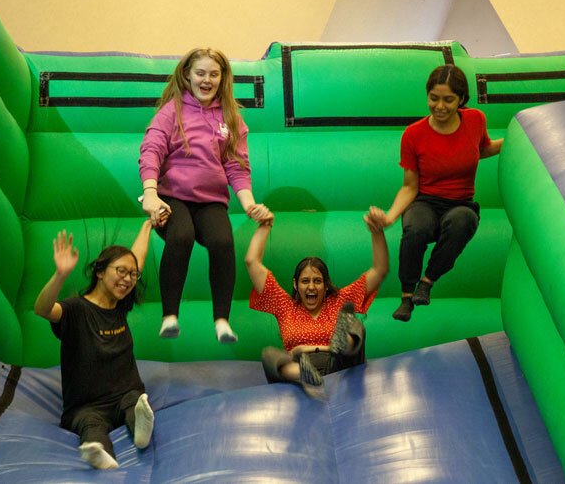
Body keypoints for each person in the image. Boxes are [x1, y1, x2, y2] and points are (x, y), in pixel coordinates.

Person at [139, 47, 271, 343]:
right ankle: (170, 314)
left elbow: (237, 166)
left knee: (223, 241)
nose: (207, 80)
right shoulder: (172, 111)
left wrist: (249, 204)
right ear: (187, 74)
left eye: (214, 74)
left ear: (223, 78)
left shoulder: (231, 117)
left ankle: (222, 320)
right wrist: (150, 192)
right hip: (172, 196)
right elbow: (151, 150)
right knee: (181, 235)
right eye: (200, 73)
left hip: (210, 201)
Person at [374, 64, 503, 322]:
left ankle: (427, 281)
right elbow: (410, 186)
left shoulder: (476, 119)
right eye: (434, 98)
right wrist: (389, 217)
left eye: (448, 100)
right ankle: (407, 295)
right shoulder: (413, 135)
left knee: (461, 223)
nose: (440, 106)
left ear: (462, 100)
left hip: (460, 203)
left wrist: (516, 139)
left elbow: (484, 148)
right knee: (415, 229)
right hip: (425, 201)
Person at [33, 221, 155, 470]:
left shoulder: (119, 302)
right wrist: (60, 275)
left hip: (125, 394)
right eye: (121, 271)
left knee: (135, 403)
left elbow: (136, 259)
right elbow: (42, 309)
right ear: (100, 272)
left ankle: (142, 431)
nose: (128, 279)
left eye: (132, 275)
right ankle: (98, 452)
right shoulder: (77, 309)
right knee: (90, 425)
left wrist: (148, 225)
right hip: (87, 405)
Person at [245, 209, 389, 398]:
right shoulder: (284, 305)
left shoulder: (339, 301)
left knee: (354, 324)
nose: (311, 287)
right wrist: (265, 226)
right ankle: (302, 375)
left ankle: (343, 344)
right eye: (305, 281)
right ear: (295, 285)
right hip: (301, 364)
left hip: (341, 365)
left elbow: (380, 270)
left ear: (326, 285)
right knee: (269, 354)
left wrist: (377, 231)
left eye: (317, 281)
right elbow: (251, 262)